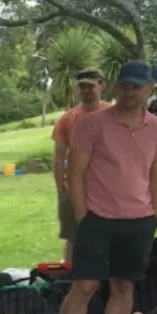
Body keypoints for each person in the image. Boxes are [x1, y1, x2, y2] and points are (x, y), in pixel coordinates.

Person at [59, 60, 157, 314]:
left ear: (149, 88)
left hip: (139, 220)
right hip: (97, 217)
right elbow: (75, 173)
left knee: (123, 287)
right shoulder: (91, 125)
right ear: (116, 88)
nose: (130, 92)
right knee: (85, 286)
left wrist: (154, 216)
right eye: (124, 86)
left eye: (136, 87)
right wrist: (82, 214)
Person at [52, 68, 110, 264]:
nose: (85, 91)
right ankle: (67, 277)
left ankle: (105, 278)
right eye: (81, 87)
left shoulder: (113, 115)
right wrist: (61, 188)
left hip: (106, 188)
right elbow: (59, 157)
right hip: (74, 188)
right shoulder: (67, 119)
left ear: (102, 85)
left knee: (107, 235)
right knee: (73, 237)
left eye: (89, 86)